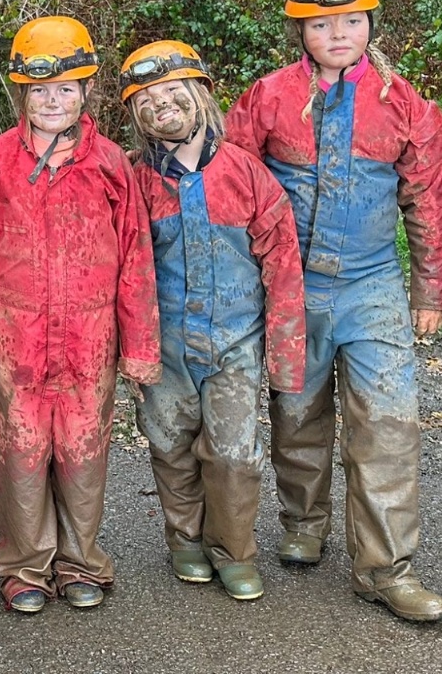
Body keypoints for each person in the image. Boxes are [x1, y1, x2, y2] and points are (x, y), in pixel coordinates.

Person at [226, 0, 442, 623]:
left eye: (352, 21)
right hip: (290, 287)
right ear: (299, 29)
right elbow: (233, 188)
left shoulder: (402, 103)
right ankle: (304, 521)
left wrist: (429, 290)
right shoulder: (267, 98)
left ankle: (386, 569)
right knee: (296, 413)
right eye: (321, 24)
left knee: (388, 424)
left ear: (371, 23)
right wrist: (243, 285)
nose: (338, 35)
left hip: (372, 283)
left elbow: (428, 200)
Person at [0, 16, 160, 613]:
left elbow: (136, 258)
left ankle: (80, 561)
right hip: (14, 337)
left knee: (83, 452)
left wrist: (139, 346)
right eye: (39, 90)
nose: (52, 101)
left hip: (89, 339)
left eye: (66, 88)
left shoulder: (111, 163)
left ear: (87, 89)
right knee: (18, 452)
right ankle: (25, 567)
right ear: (21, 91)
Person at [121, 41, 305, 601]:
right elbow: (122, 268)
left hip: (234, 342)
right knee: (169, 442)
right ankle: (185, 541)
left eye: (172, 90)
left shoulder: (246, 173)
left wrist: (285, 354)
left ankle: (234, 551)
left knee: (233, 452)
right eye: (146, 98)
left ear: (202, 93)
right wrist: (133, 349)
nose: (161, 103)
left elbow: (282, 263)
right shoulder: (135, 182)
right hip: (164, 344)